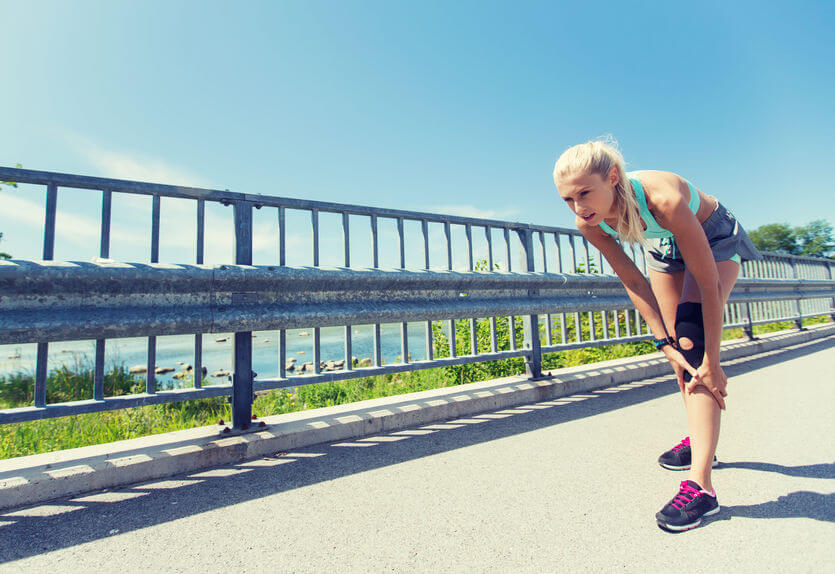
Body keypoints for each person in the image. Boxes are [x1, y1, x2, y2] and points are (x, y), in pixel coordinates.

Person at [552, 138, 760, 531]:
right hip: (664, 247)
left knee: (692, 343)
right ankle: (701, 440)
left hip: (713, 238)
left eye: (584, 193)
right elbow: (632, 279)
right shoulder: (589, 222)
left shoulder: (662, 199)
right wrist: (661, 342)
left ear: (612, 178)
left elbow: (708, 283)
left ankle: (702, 488)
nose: (579, 208)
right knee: (679, 355)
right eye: (568, 199)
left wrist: (713, 361)